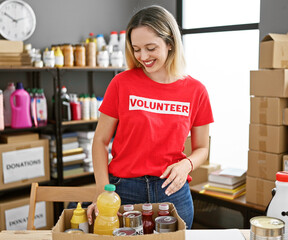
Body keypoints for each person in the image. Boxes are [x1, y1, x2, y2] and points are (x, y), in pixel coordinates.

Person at [86, 5, 213, 229]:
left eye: (150, 48)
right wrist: (101, 192)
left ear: (170, 43)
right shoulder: (121, 83)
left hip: (172, 191)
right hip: (123, 189)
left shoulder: (196, 91)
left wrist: (186, 165)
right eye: (136, 49)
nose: (143, 56)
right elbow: (100, 141)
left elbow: (202, 147)